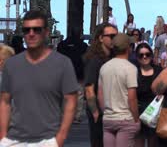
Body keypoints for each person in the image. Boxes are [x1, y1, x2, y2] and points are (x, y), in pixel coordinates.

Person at [0, 10, 79, 147]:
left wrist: (61, 137)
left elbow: (71, 100)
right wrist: (3, 136)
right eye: (26, 30)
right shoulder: (12, 65)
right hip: (14, 140)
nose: (31, 34)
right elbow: (5, 102)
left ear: (46, 32)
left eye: (36, 29)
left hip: (47, 140)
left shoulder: (62, 63)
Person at [98, 33, 140, 147]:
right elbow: (132, 98)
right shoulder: (130, 68)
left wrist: (105, 112)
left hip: (108, 119)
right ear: (128, 48)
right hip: (125, 118)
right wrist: (136, 119)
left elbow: (100, 95)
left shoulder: (104, 67)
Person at [83, 23, 118, 147]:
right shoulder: (95, 60)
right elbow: (89, 89)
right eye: (110, 36)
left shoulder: (114, 58)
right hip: (99, 110)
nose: (114, 38)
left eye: (116, 36)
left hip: (113, 109)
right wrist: (95, 112)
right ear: (100, 38)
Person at [57, 27, 89, 124]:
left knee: (65, 95)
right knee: (79, 95)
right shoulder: (83, 46)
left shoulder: (62, 45)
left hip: (65, 73)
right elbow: (86, 59)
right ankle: (76, 116)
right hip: (79, 72)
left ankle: (64, 115)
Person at [135, 43, 163, 147]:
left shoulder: (159, 71)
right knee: (138, 141)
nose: (144, 57)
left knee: (153, 142)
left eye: (147, 54)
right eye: (141, 55)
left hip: (155, 112)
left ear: (151, 55)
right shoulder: (133, 72)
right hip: (137, 112)